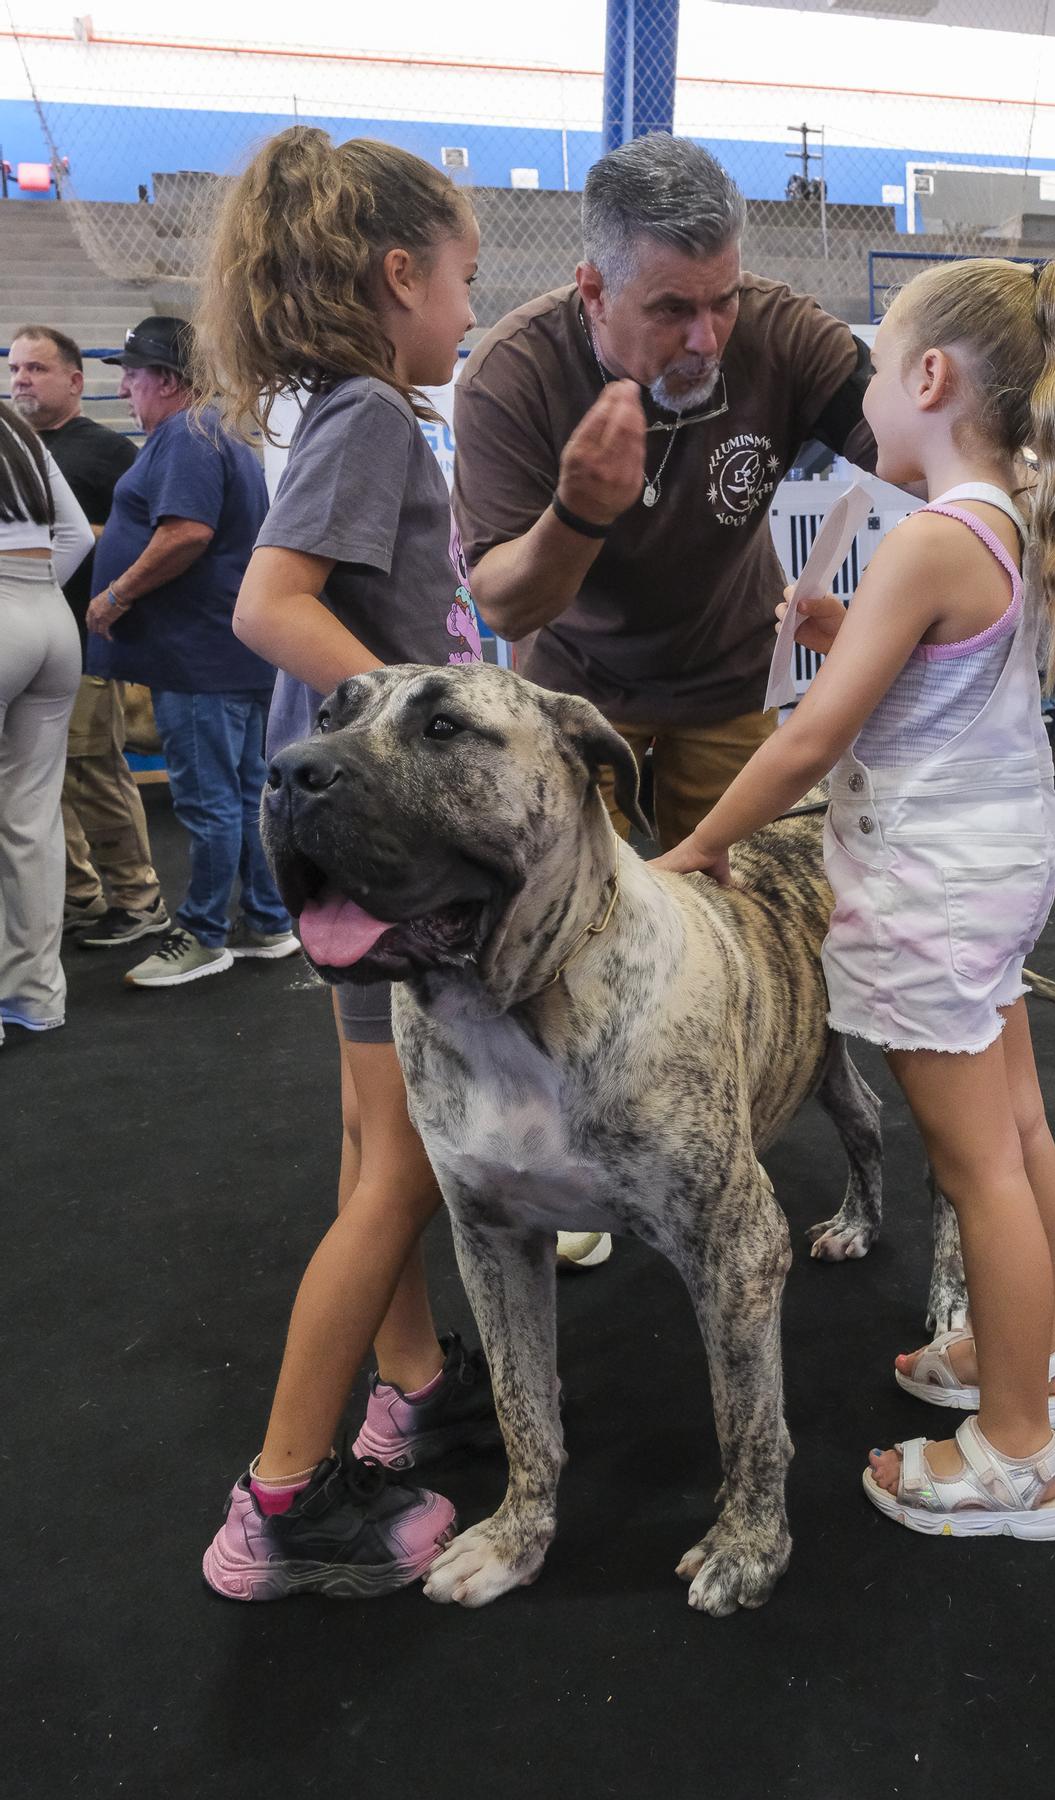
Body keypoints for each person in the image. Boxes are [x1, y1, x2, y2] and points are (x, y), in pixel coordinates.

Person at [655, 256, 1055, 1540]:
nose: (863, 387)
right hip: (997, 864)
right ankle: (1014, 1361)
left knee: (981, 1164)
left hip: (933, 881)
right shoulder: (1002, 516)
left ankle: (1016, 1453)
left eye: (875, 364)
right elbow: (929, 657)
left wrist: (694, 848)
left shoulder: (929, 537)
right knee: (1018, 1135)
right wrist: (838, 625)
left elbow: (809, 744)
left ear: (929, 380)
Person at [190, 127, 496, 1600]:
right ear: (396, 276)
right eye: (460, 283)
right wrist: (418, 737)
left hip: (337, 840)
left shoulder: (355, 410)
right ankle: (283, 1498)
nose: (467, 312)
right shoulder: (373, 411)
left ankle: (416, 1381)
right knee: (407, 1162)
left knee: (377, 1138)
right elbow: (269, 604)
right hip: (371, 844)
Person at [452, 133, 876, 853]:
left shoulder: (783, 335)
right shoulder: (511, 374)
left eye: (724, 300)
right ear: (594, 292)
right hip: (578, 691)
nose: (707, 338)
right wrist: (578, 513)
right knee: (575, 924)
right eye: (673, 309)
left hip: (731, 676)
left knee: (745, 907)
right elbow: (502, 602)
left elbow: (917, 453)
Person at [83, 316, 297, 984]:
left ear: (167, 381)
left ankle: (204, 931)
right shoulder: (212, 433)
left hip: (199, 657)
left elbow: (185, 533)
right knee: (241, 796)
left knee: (210, 803)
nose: (124, 391)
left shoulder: (186, 434)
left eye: (132, 376)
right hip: (223, 652)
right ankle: (265, 920)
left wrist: (115, 594)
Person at [8, 324, 168, 940]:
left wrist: (45, 550)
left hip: (86, 639)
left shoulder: (107, 451)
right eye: (16, 368)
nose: (21, 378)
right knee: (37, 783)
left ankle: (138, 898)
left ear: (76, 382)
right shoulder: (14, 452)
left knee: (90, 772)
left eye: (36, 369)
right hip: (28, 641)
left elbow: (159, 535)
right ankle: (78, 895)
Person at [0, 399, 93, 1044]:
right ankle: (35, 996)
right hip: (49, 620)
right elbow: (79, 535)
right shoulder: (16, 429)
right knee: (31, 820)